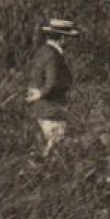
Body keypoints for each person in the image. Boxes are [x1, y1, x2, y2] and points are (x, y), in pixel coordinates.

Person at [25, 18, 79, 155]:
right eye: (68, 38)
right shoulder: (53, 55)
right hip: (51, 109)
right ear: (62, 38)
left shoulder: (42, 51)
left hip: (41, 109)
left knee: (45, 149)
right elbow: (52, 82)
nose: (69, 42)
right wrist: (41, 94)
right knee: (53, 149)